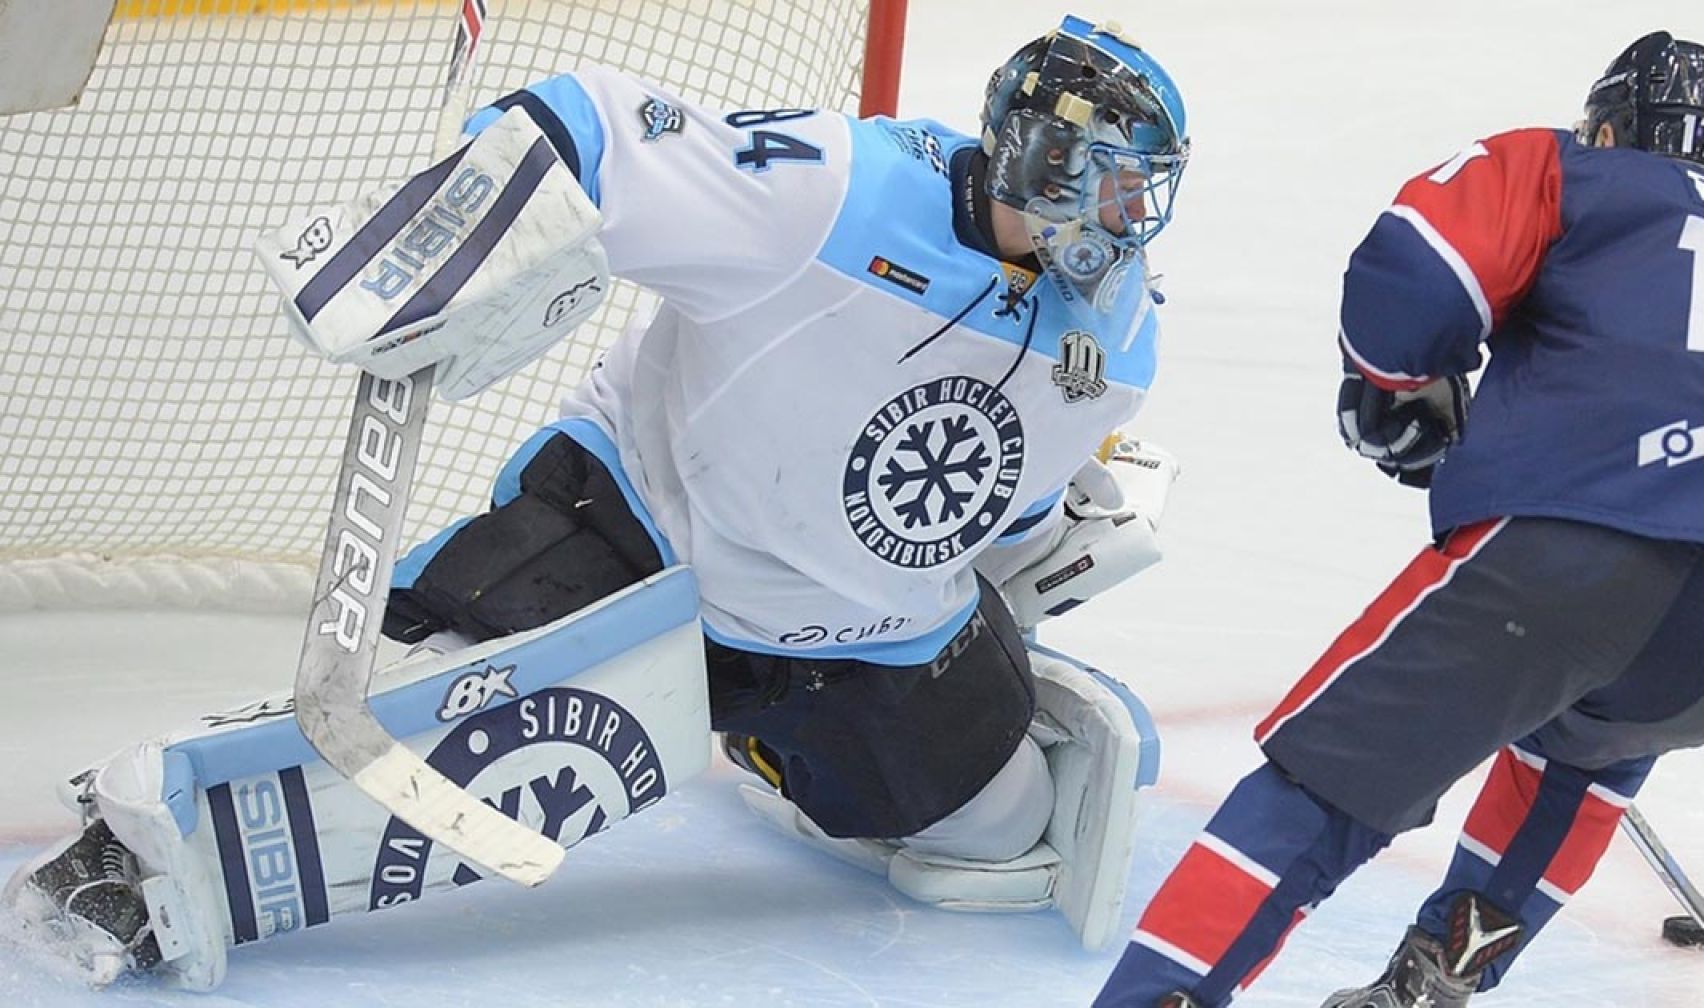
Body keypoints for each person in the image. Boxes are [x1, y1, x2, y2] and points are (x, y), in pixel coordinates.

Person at [6, 15, 1187, 990]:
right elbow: (598, 130)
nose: (1123, 223)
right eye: (1105, 185)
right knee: (417, 720)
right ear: (1036, 156)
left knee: (997, 836)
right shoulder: (838, 189)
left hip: (868, 641)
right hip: (644, 541)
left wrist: (1060, 533)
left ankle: (781, 745)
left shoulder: (1123, 330)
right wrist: (457, 225)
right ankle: (141, 844)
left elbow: (1009, 494)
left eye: (1145, 196)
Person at [1095, 30, 1704, 1008]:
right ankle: (1429, 981)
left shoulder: (1574, 171)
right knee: (1587, 748)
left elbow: (1411, 274)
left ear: (1610, 125)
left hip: (1579, 553)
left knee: (1328, 777)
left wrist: (1403, 388)